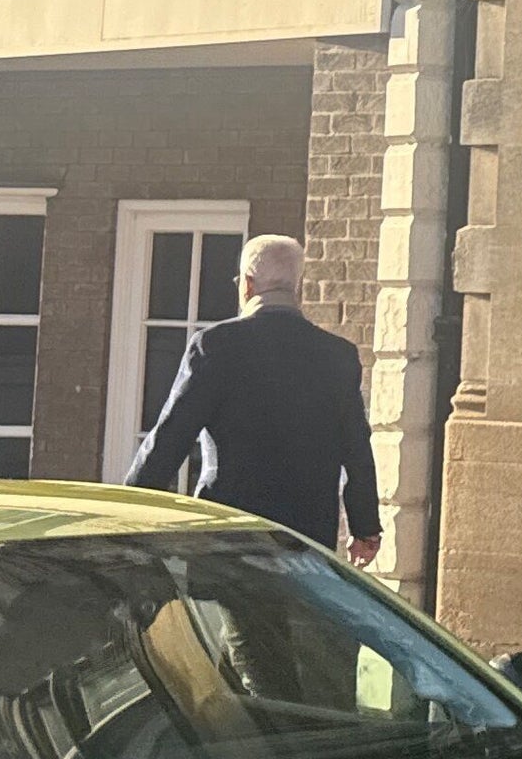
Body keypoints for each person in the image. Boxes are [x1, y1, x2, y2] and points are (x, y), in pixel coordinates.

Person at [130, 236, 381, 564]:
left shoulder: (216, 346)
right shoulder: (339, 356)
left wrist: (132, 508)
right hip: (307, 540)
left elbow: (170, 439)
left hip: (229, 537)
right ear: (297, 287)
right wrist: (364, 528)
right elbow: (357, 449)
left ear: (247, 284)